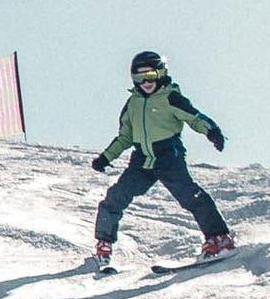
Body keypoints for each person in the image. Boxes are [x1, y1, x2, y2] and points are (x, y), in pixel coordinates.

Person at [91, 50, 233, 265]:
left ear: (161, 73)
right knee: (116, 196)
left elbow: (194, 118)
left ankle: (219, 237)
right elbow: (125, 137)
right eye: (139, 77)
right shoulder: (132, 104)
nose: (146, 82)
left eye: (150, 76)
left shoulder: (170, 97)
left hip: (168, 155)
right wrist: (106, 157)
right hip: (142, 159)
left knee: (190, 195)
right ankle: (104, 244)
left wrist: (212, 131)